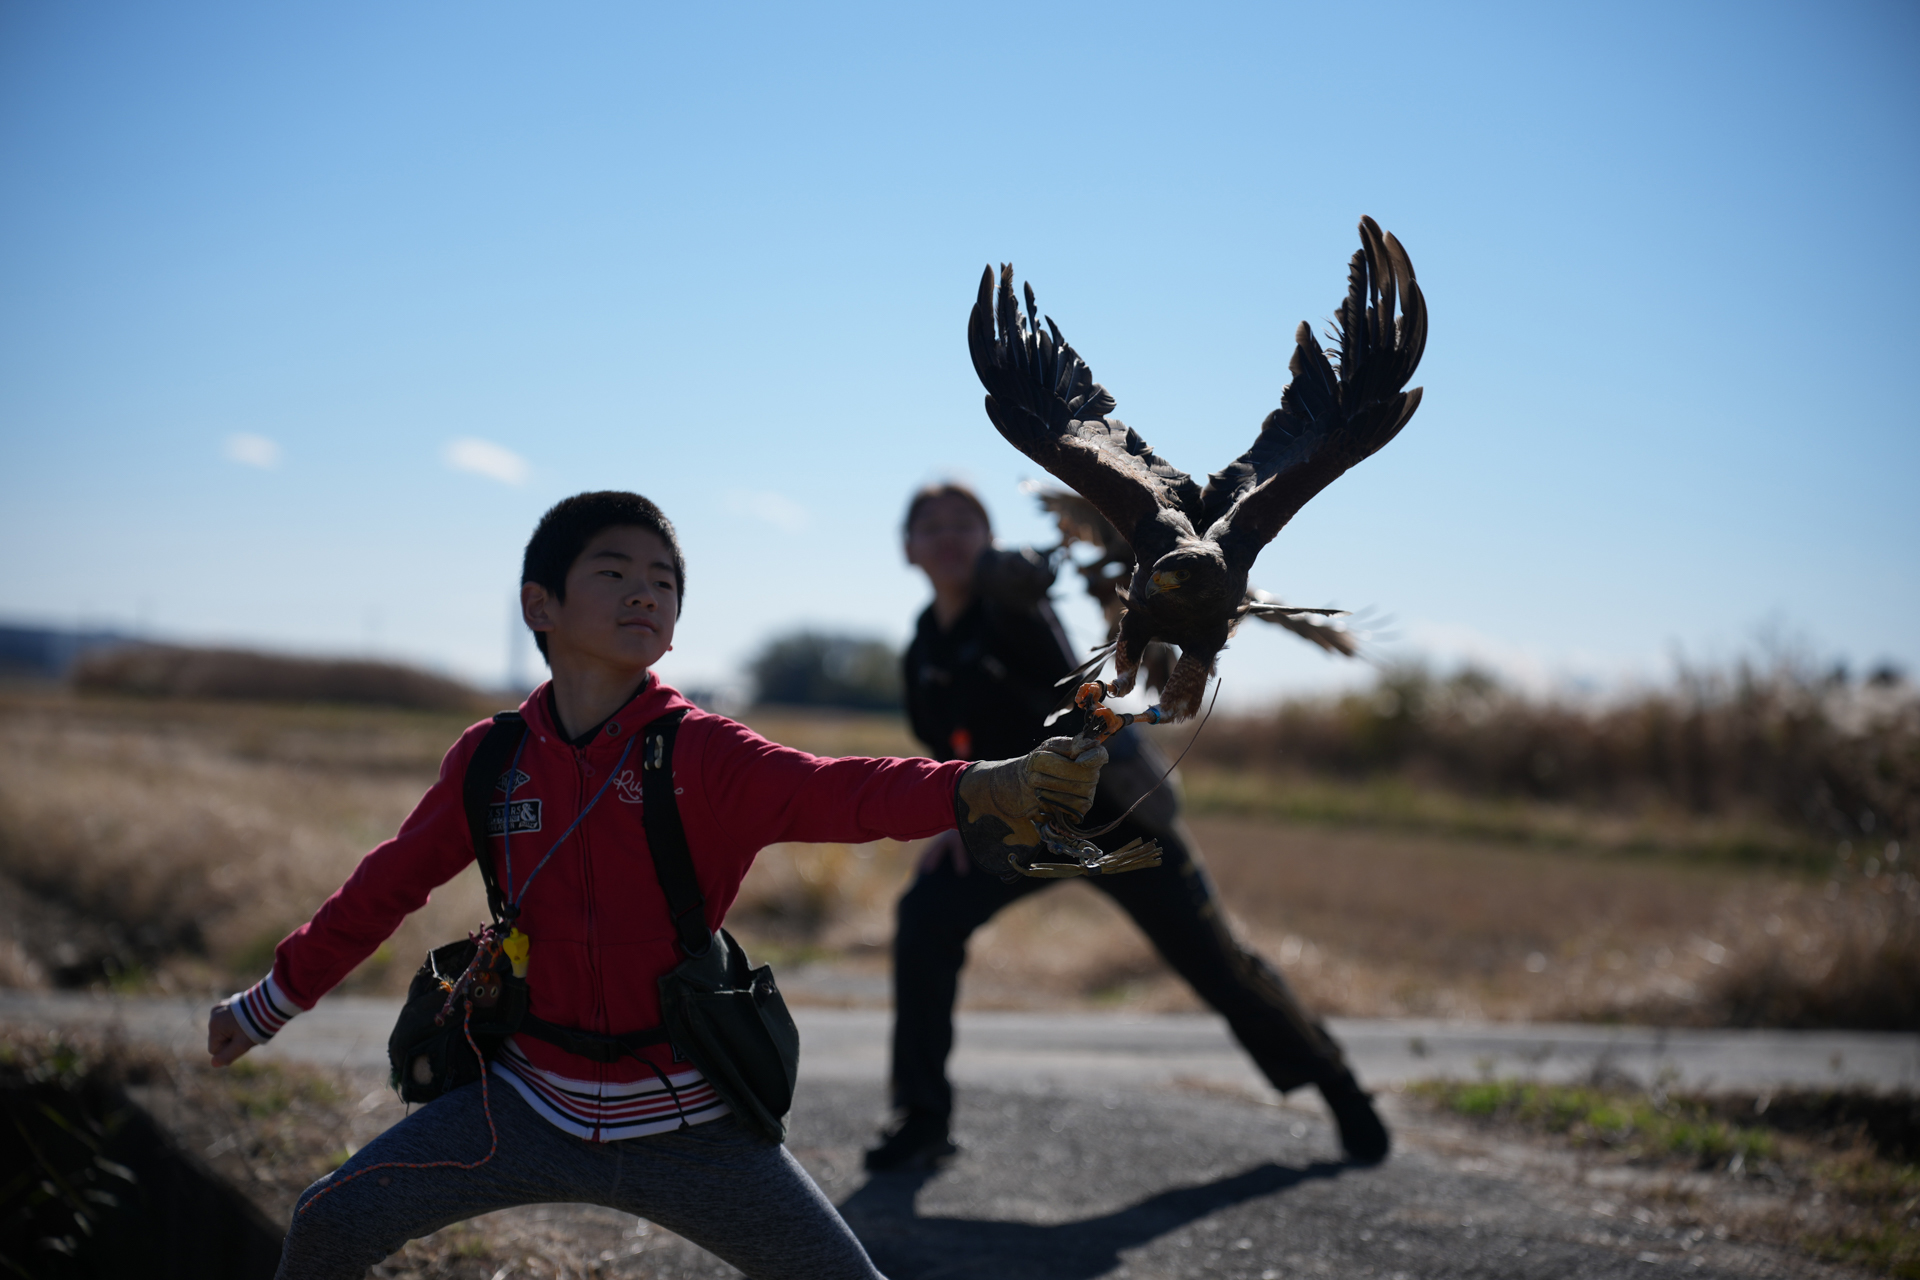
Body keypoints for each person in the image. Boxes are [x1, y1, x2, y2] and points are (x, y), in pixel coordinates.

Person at [206, 490, 1110, 1280]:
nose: (645, 589)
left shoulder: (703, 753)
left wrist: (985, 787)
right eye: (613, 571)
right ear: (541, 603)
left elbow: (841, 790)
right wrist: (267, 1003)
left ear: (674, 624)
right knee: (328, 1221)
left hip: (690, 1119)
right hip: (518, 1102)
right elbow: (385, 886)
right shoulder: (489, 762)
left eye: (664, 580)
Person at [866, 483, 1389, 1172]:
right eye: (931, 526)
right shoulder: (923, 649)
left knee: (1220, 965)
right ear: (908, 550)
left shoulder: (1016, 609)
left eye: (966, 522)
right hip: (1025, 828)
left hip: (1116, 814)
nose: (950, 535)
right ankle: (922, 1117)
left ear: (990, 540)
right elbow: (950, 755)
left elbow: (1071, 683)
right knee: (926, 916)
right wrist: (948, 821)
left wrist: (1025, 584)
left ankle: (1336, 1083)